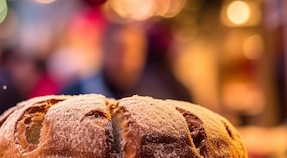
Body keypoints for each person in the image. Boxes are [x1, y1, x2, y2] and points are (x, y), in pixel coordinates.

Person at [61, 21, 193, 101]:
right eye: (118, 49)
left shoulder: (166, 90)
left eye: (133, 49)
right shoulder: (75, 93)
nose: (124, 58)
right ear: (104, 49)